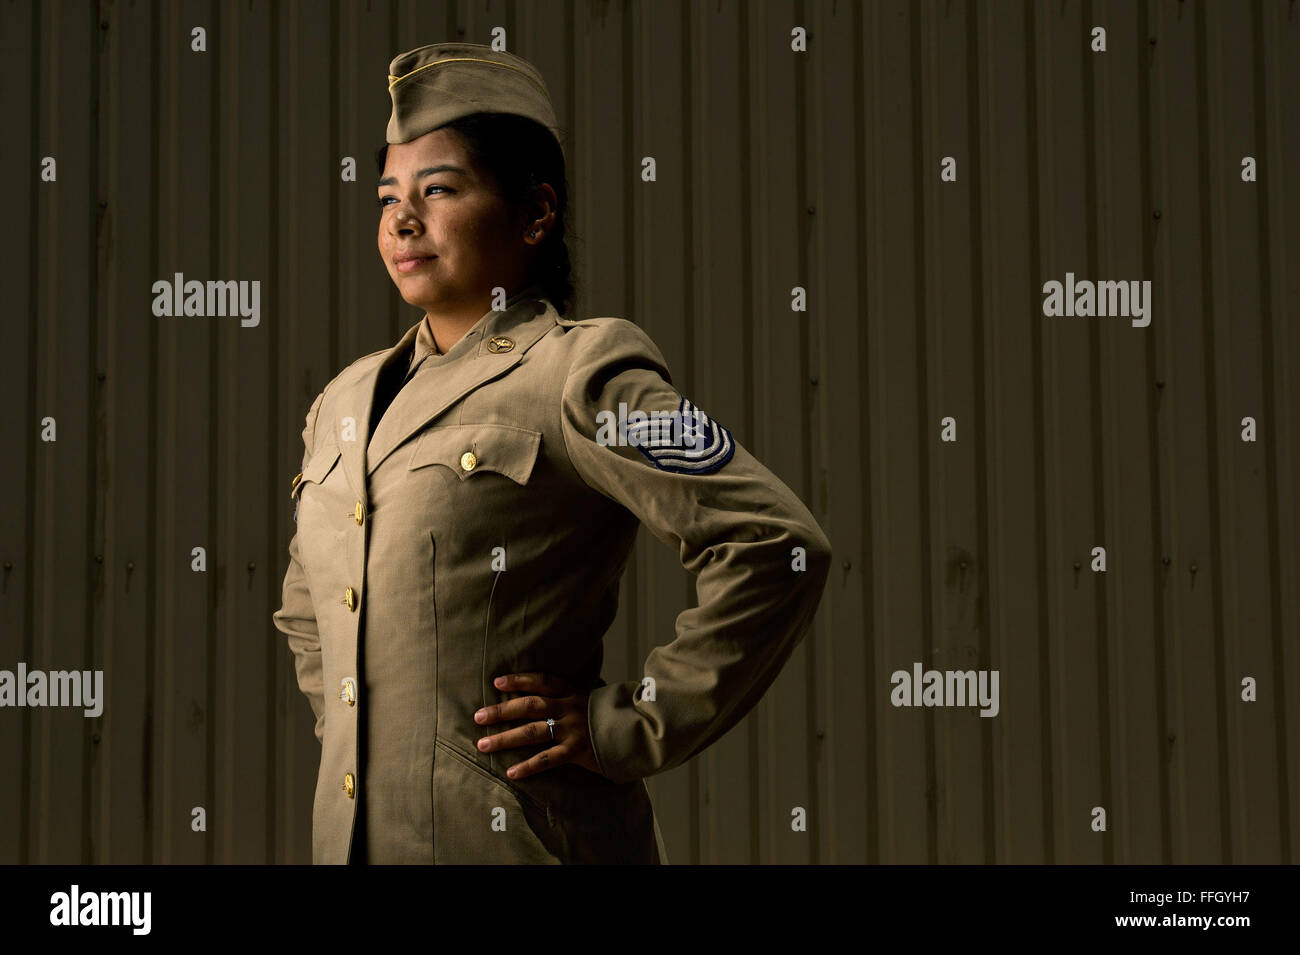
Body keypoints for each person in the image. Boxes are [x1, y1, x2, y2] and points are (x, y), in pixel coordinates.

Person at [273, 41, 832, 865]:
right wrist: (381, 745)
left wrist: (623, 725)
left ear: (535, 212)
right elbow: (304, 611)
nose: (401, 219)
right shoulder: (343, 406)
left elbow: (774, 542)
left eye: (439, 189)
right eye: (388, 195)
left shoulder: (586, 374)